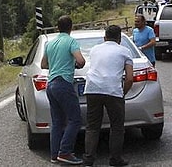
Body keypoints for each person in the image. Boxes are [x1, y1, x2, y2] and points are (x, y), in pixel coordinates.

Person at [82, 25, 134, 167]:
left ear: (104, 37)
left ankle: (88, 159)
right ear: (119, 39)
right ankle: (115, 159)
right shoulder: (125, 51)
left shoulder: (94, 49)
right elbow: (129, 78)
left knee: (92, 126)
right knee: (117, 127)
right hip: (113, 91)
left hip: (92, 89)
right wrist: (123, 93)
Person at [40, 15, 86, 165]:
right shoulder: (71, 41)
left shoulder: (50, 43)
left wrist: (57, 65)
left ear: (57, 27)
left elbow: (43, 65)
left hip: (51, 84)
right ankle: (65, 151)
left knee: (57, 121)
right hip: (64, 83)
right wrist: (74, 65)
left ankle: (54, 155)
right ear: (71, 27)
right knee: (75, 119)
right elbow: (80, 61)